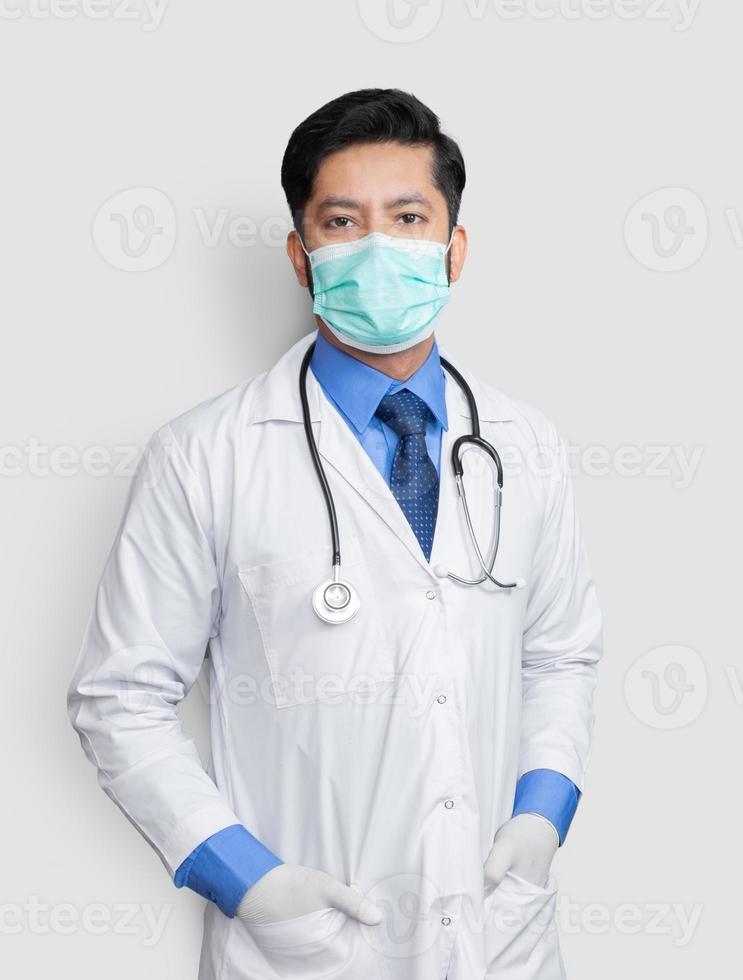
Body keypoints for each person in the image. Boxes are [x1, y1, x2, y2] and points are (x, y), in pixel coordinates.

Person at [66, 89, 602, 980]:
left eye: (408, 217)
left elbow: (561, 656)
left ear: (454, 249)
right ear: (301, 255)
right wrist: (244, 878)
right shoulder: (205, 456)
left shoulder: (526, 446)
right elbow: (120, 698)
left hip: (497, 932)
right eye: (344, 223)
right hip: (305, 946)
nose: (379, 247)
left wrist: (542, 815)